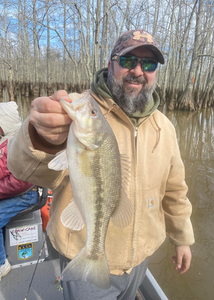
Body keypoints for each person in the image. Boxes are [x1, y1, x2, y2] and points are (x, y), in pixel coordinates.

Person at [7, 29, 195, 299]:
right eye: (128, 61)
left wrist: (182, 239)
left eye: (149, 64)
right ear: (111, 64)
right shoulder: (78, 108)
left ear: (155, 72)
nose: (138, 71)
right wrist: (41, 137)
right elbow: (23, 168)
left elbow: (176, 190)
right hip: (82, 257)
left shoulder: (165, 127)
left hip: (141, 258)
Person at [0, 101, 39, 281]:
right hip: (12, 192)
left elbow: (19, 183)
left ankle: (2, 264)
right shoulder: (6, 139)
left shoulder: (17, 143)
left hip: (26, 194)